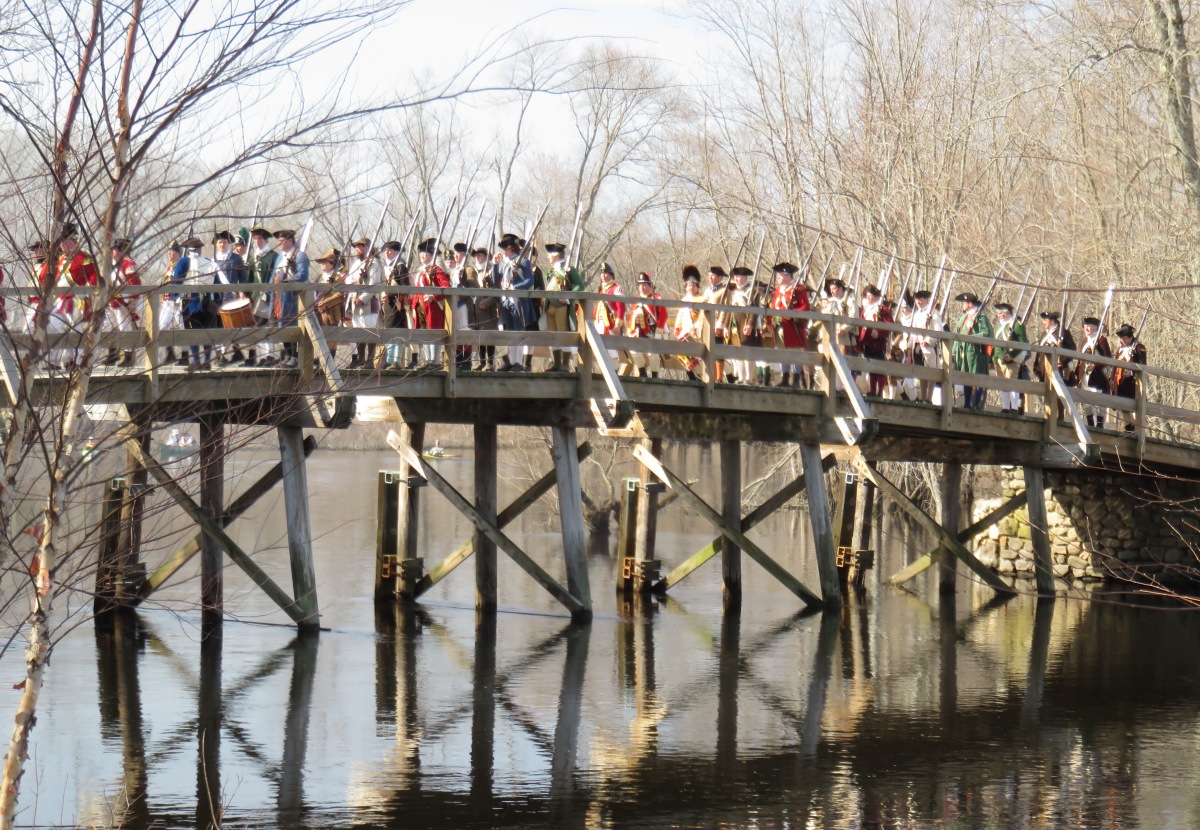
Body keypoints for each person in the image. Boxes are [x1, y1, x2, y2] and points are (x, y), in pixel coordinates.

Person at [492, 235, 536, 371]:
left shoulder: (523, 261)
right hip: (505, 300)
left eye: (506, 248)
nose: (504, 251)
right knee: (509, 330)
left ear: (511, 248)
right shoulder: (505, 263)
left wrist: (514, 288)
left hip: (518, 300)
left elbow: (530, 281)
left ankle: (518, 362)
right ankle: (511, 362)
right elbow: (496, 279)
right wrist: (495, 264)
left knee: (518, 330)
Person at [270, 229, 309, 369]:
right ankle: (287, 355)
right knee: (282, 326)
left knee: (292, 326)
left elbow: (303, 275)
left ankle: (294, 357)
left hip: (292, 298)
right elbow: (274, 276)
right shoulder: (280, 257)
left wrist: (289, 280)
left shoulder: (300, 256)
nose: (279, 243)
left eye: (282, 241)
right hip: (280, 297)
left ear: (290, 240)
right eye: (279, 241)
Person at [543, 242, 583, 372]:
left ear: (555, 255)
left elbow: (579, 286)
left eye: (549, 254)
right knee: (553, 335)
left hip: (562, 306)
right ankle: (556, 362)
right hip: (550, 305)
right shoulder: (551, 271)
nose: (547, 257)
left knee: (563, 333)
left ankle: (565, 364)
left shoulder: (569, 269)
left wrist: (567, 297)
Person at [412, 238, 451, 367]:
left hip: (433, 307)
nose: (422, 257)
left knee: (433, 333)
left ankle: (434, 361)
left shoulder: (436, 270)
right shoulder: (421, 271)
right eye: (421, 255)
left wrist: (433, 296)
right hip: (420, 306)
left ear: (430, 256)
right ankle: (428, 360)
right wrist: (414, 306)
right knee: (424, 334)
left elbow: (446, 286)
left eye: (425, 255)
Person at [770, 262, 810, 389]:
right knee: (782, 352)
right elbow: (773, 306)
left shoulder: (798, 289)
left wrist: (792, 313)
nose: (777, 278)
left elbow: (805, 307)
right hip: (779, 324)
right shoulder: (778, 290)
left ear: (787, 276)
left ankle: (796, 379)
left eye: (780, 275)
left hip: (793, 326)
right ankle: (785, 378)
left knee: (795, 352)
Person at [345, 237, 383, 368]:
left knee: (370, 331)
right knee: (358, 331)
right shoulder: (356, 264)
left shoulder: (374, 263)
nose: (356, 249)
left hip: (369, 303)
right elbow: (349, 280)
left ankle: (370, 361)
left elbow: (373, 284)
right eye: (355, 247)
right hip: (355, 300)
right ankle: (361, 359)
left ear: (366, 248)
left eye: (359, 246)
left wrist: (362, 299)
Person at [103, 238, 141, 368]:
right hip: (113, 300)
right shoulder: (112, 264)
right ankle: (112, 355)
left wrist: (132, 300)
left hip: (123, 301)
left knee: (124, 328)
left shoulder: (128, 264)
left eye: (114, 249)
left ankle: (128, 357)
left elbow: (135, 284)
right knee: (109, 327)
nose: (112, 251)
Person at [212, 230, 247, 366]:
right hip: (217, 297)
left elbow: (242, 279)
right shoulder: (213, 259)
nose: (222, 245)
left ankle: (230, 353)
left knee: (231, 325)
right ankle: (221, 355)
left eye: (224, 242)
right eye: (220, 242)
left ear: (228, 243)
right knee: (219, 326)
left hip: (231, 296)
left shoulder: (236, 258)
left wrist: (241, 292)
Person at [951, 292, 992, 410]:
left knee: (977, 378)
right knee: (966, 378)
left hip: (975, 352)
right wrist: (954, 351)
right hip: (963, 352)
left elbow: (986, 333)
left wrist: (972, 336)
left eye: (964, 303)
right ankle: (967, 404)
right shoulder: (963, 318)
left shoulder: (981, 317)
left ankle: (977, 404)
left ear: (969, 304)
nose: (962, 305)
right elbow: (958, 334)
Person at [625, 272, 668, 378]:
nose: (642, 287)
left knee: (652, 354)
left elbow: (663, 315)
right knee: (634, 351)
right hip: (638, 332)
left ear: (650, 285)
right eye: (640, 284)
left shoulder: (656, 298)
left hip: (651, 332)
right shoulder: (637, 300)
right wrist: (631, 331)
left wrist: (659, 332)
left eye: (644, 284)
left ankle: (654, 375)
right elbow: (632, 317)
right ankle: (642, 372)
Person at [245, 227, 277, 366]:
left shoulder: (273, 256)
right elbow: (250, 280)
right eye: (255, 239)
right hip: (257, 297)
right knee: (258, 327)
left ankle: (271, 355)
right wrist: (247, 296)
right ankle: (263, 357)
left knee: (269, 327)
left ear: (265, 240)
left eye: (259, 239)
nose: (257, 241)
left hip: (270, 296)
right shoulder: (253, 258)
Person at [991, 302, 1029, 414]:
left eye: (1001, 313)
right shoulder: (998, 325)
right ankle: (1006, 407)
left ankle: (1014, 408)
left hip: (1011, 359)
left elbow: (1023, 344)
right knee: (1003, 384)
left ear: (1007, 313)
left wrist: (1012, 356)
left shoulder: (1017, 325)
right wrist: (992, 359)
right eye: (998, 313)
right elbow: (994, 343)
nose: (999, 315)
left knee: (1012, 382)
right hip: (999, 358)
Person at [379, 241, 411, 370]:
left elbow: (405, 286)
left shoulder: (400, 266)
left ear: (396, 252)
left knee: (397, 331)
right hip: (386, 303)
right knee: (388, 331)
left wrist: (390, 295)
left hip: (397, 303)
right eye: (386, 250)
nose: (387, 252)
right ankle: (389, 359)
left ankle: (396, 361)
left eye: (390, 250)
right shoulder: (386, 267)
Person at [1077, 316, 1113, 429]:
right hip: (1085, 375)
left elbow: (1108, 358)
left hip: (1097, 374)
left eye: (1090, 326)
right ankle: (1091, 424)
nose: (1087, 329)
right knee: (1086, 399)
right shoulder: (1084, 341)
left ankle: (1100, 425)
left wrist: (1095, 365)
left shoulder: (1101, 340)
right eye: (1085, 326)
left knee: (1098, 399)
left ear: (1096, 327)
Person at [447, 242, 479, 371]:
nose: (456, 256)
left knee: (465, 331)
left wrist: (463, 288)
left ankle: (466, 361)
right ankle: (459, 359)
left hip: (465, 304)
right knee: (457, 331)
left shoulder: (469, 270)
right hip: (456, 303)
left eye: (459, 254)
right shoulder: (455, 270)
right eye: (455, 254)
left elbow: (475, 288)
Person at [1112, 323, 1147, 432]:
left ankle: (1137, 430)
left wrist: (1132, 372)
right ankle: (1128, 428)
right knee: (1124, 407)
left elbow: (1143, 365)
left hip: (1134, 382)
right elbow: (1115, 365)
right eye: (1121, 338)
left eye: (1125, 338)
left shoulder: (1139, 348)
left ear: (1130, 337)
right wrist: (1112, 378)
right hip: (1121, 382)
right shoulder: (1120, 350)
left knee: (1134, 407)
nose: (1122, 340)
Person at [858, 284, 892, 396]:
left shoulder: (883, 309)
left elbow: (889, 325)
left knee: (880, 369)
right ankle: (872, 392)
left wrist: (879, 332)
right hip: (867, 341)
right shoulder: (865, 309)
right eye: (867, 297)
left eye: (870, 297)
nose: (868, 299)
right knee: (871, 369)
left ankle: (880, 392)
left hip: (879, 342)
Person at [910, 289, 943, 403]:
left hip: (928, 347)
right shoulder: (916, 314)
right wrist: (910, 347)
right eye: (917, 299)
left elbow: (939, 330)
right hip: (917, 345)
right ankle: (923, 397)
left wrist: (929, 341)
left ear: (926, 299)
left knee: (931, 373)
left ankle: (929, 398)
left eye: (921, 299)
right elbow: (913, 332)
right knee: (921, 373)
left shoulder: (933, 313)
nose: (918, 301)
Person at [673, 266, 705, 381]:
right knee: (683, 354)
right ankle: (691, 376)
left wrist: (697, 328)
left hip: (695, 330)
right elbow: (680, 315)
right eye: (689, 285)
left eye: (693, 285)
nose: (691, 288)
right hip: (684, 330)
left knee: (697, 356)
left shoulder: (701, 299)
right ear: (686, 287)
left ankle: (701, 377)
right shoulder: (684, 300)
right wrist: (677, 327)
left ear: (697, 286)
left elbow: (701, 317)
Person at [700, 266, 731, 381]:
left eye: (712, 276)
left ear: (719, 277)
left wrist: (720, 324)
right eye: (709, 276)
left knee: (718, 350)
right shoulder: (708, 290)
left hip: (718, 323)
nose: (710, 278)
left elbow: (725, 308)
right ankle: (710, 376)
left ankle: (719, 377)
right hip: (708, 322)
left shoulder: (724, 290)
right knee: (708, 349)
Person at [593, 262, 625, 370]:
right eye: (602, 273)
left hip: (610, 323)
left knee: (611, 350)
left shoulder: (616, 288)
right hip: (599, 323)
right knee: (599, 348)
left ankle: (614, 371)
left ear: (611, 275)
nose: (603, 275)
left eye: (606, 273)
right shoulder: (601, 289)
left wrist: (618, 325)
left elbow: (621, 308)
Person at [472, 247, 500, 371]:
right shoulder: (473, 271)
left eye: (481, 256)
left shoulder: (490, 271)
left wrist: (488, 302)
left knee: (489, 336)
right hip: (476, 307)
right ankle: (482, 361)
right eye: (477, 256)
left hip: (488, 309)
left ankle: (490, 362)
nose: (478, 258)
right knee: (479, 336)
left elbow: (496, 291)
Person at [819, 277, 858, 355]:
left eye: (834, 289)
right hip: (829, 336)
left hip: (844, 338)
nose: (832, 291)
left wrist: (843, 329)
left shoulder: (849, 301)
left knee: (843, 361)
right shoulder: (830, 302)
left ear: (840, 288)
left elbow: (853, 317)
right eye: (831, 289)